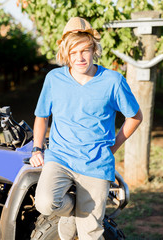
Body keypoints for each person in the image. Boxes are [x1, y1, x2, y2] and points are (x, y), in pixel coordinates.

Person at [29, 17, 143, 240]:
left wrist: (113, 147)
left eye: (85, 50)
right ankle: (74, 211)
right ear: (65, 53)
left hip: (96, 164)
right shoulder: (54, 79)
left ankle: (81, 216)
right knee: (45, 203)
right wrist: (36, 148)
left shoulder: (113, 81)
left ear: (94, 50)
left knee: (90, 232)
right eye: (73, 52)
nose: (79, 57)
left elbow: (135, 116)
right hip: (60, 157)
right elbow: (41, 117)